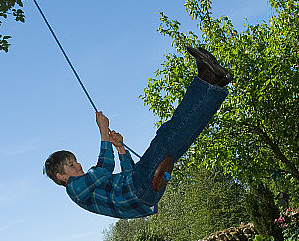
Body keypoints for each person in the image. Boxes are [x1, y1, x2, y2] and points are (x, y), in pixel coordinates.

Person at [44, 46, 231, 219]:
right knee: (167, 136)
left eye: (75, 160)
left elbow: (129, 174)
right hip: (139, 190)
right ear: (61, 176)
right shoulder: (75, 189)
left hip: (141, 190)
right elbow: (105, 167)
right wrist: (102, 130)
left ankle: (216, 84)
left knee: (180, 140)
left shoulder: (93, 187)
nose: (77, 164)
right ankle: (208, 80)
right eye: (70, 165)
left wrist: (121, 150)